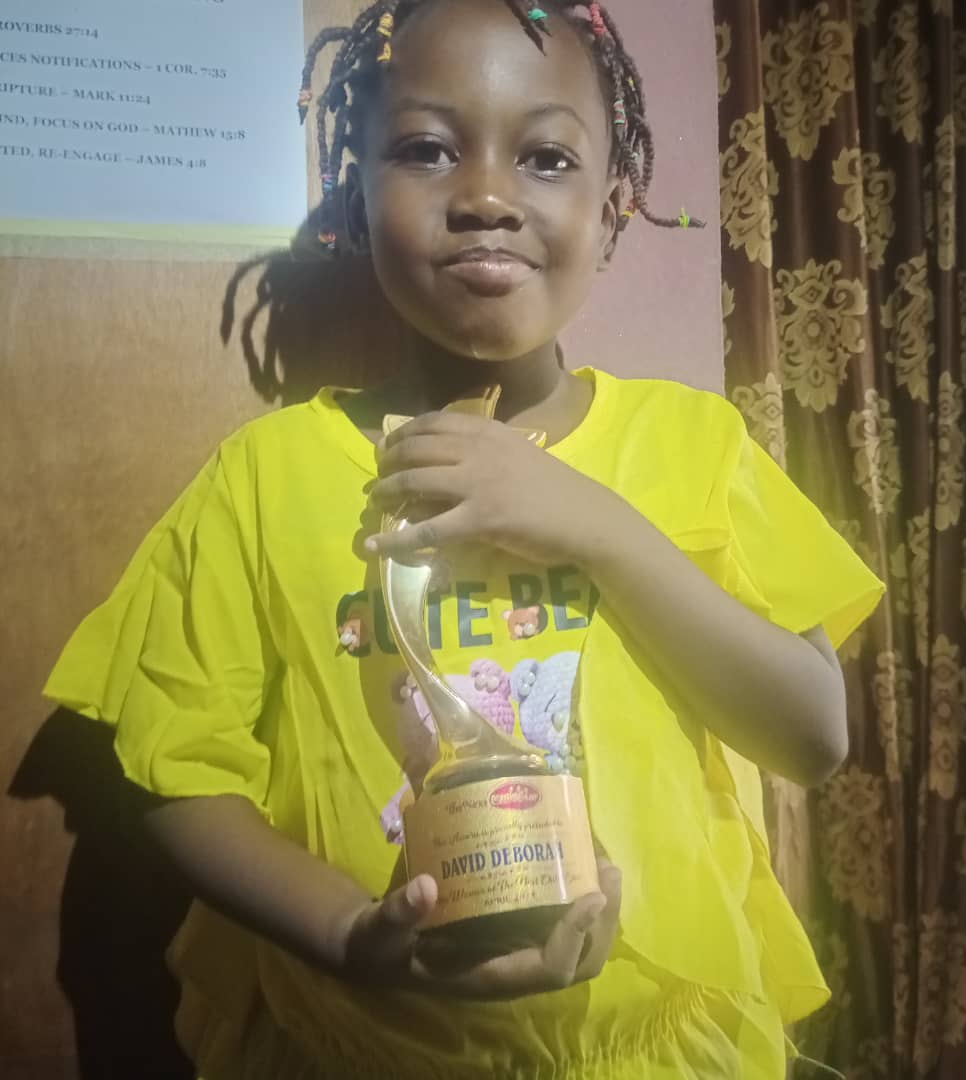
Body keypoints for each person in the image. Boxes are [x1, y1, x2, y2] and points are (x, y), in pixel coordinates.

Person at [44, 1, 884, 1077]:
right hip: (351, 1046)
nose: (486, 195)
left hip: (653, 1050)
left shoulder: (696, 446)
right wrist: (348, 933)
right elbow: (175, 769)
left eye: (546, 157)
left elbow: (812, 733)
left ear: (611, 208)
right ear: (355, 194)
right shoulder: (265, 477)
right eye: (428, 149)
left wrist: (594, 525)